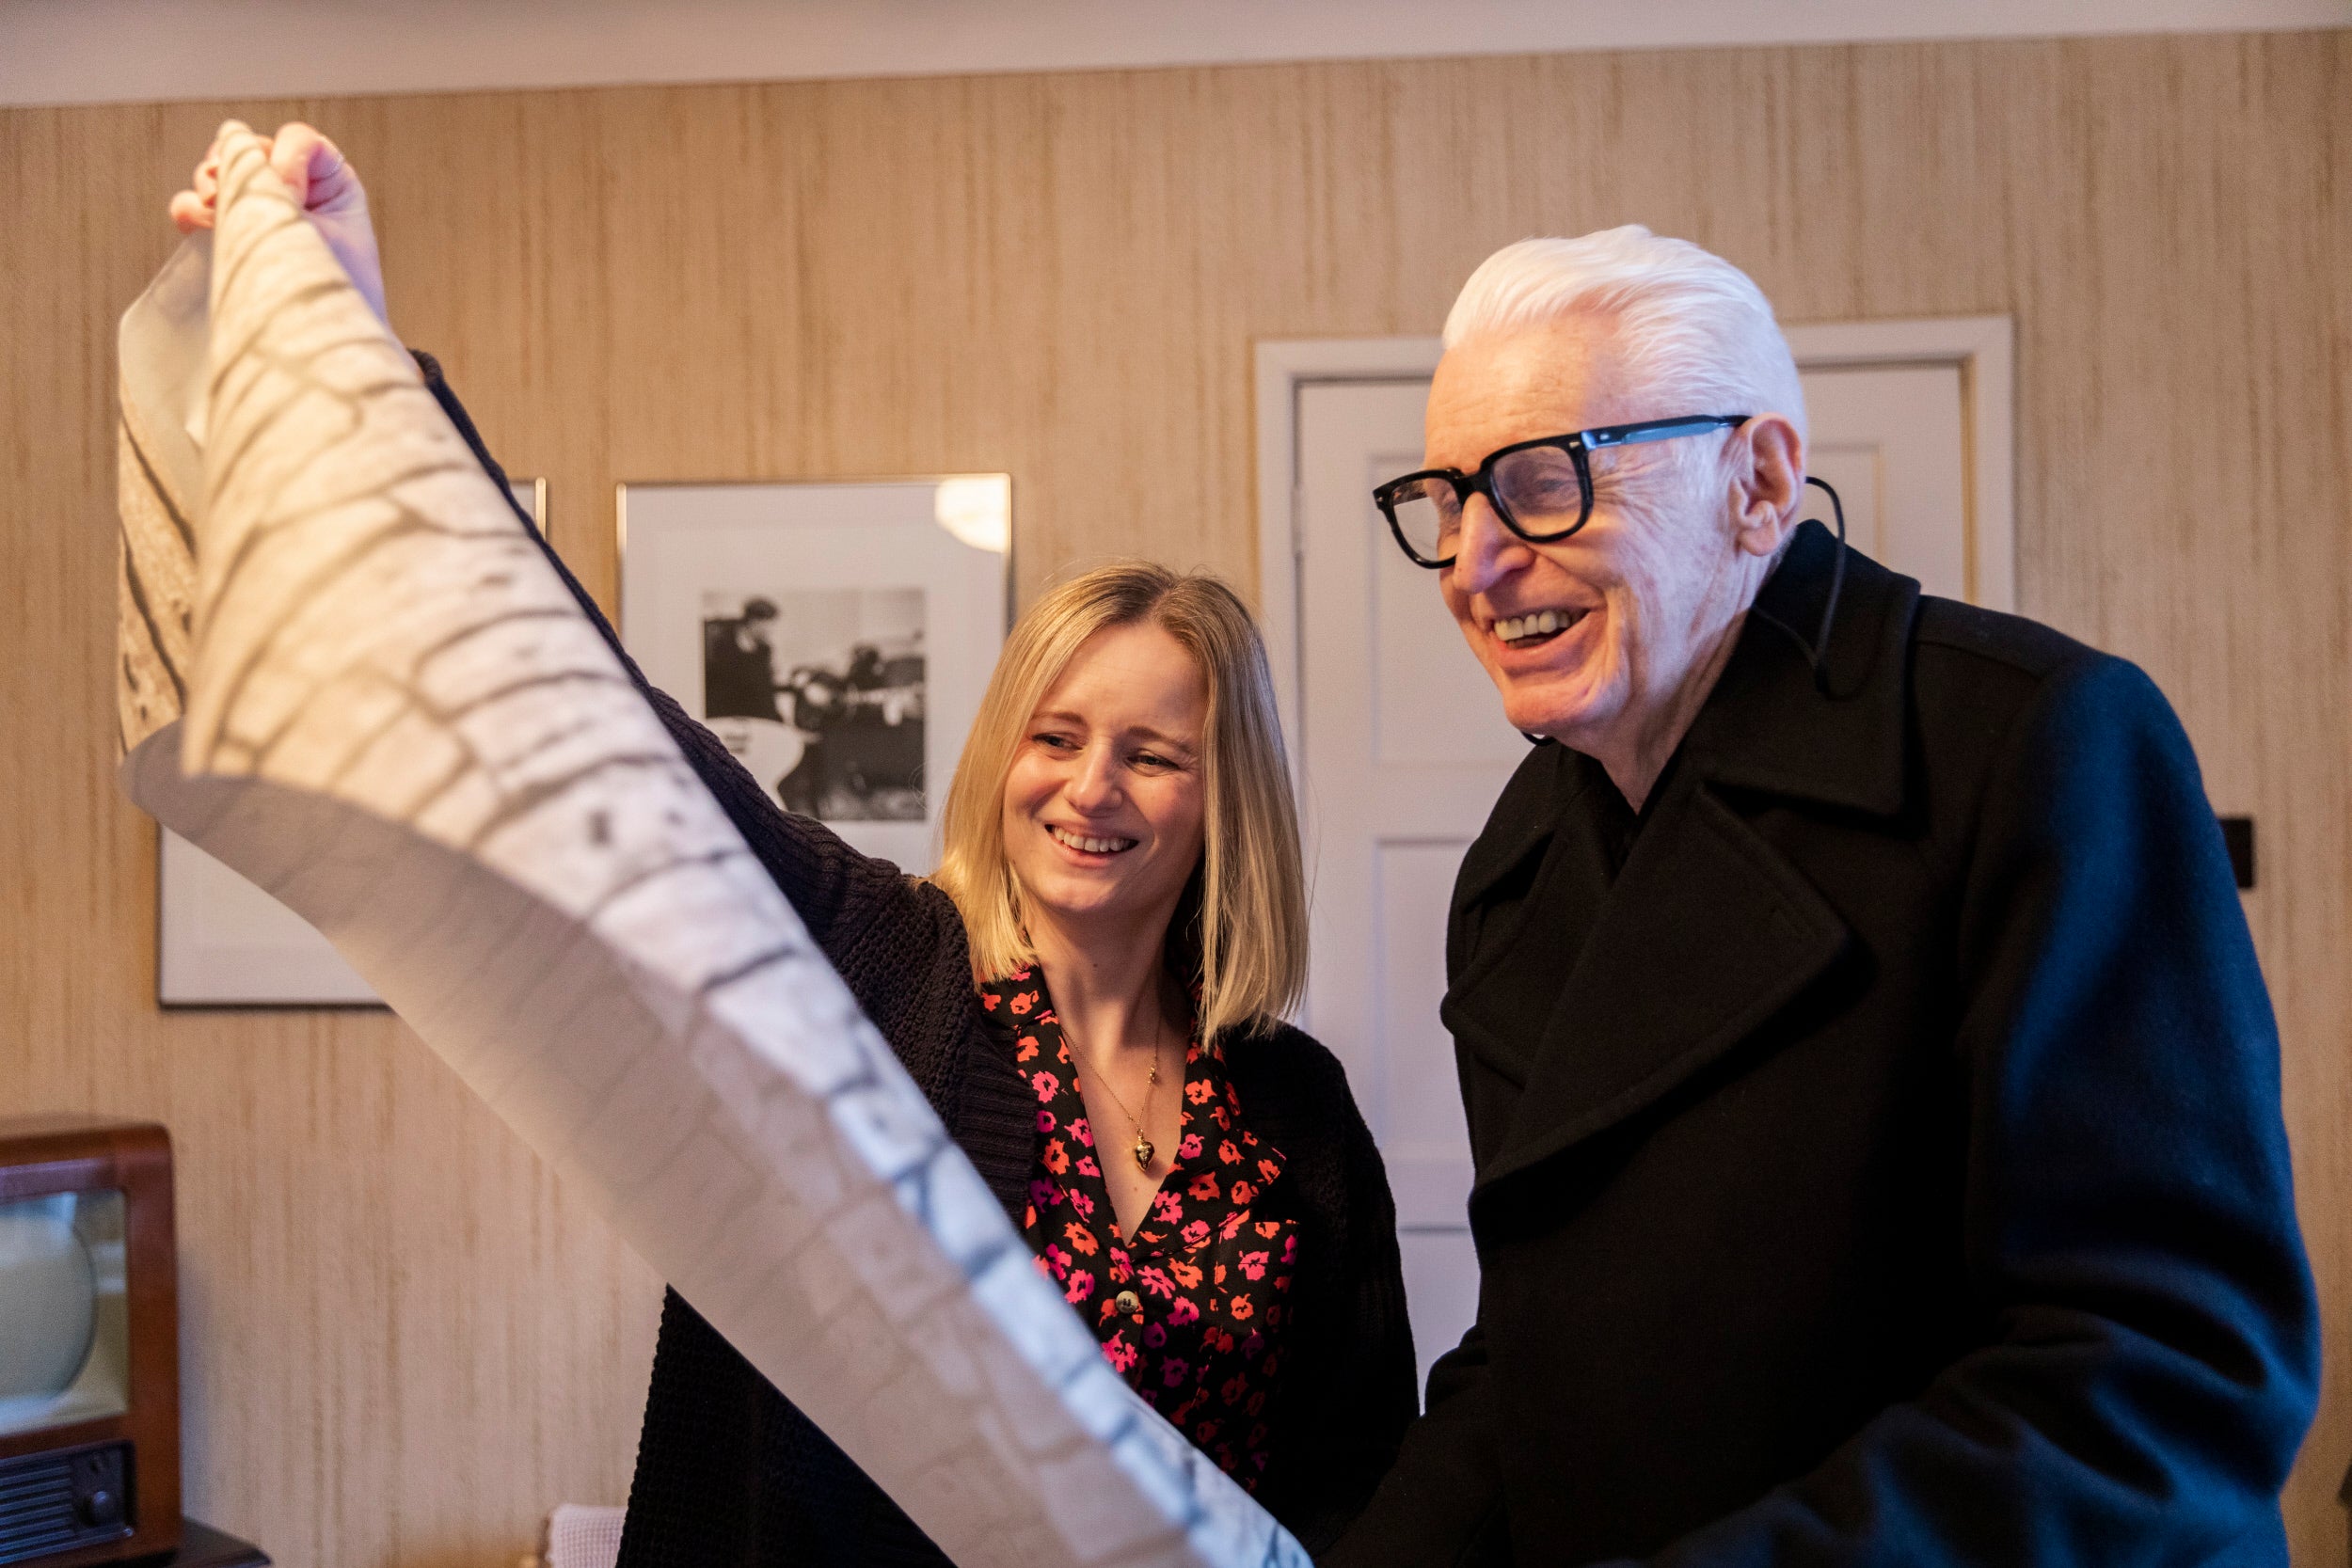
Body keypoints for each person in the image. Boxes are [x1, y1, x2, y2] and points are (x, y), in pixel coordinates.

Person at [168, 126, 1416, 1563]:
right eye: (1056, 737)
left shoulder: (1298, 1111)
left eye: (1154, 753)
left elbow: (1355, 1465)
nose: (1093, 788)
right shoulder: (874, 961)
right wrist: (368, 352)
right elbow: (622, 733)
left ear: (1222, 798)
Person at [1321, 224, 2322, 1566]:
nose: (1474, 564)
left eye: (1545, 484)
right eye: (1450, 501)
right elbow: (1538, 1365)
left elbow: (2162, 1374)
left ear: (1758, 482)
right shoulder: (1517, 873)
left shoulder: (2035, 745)